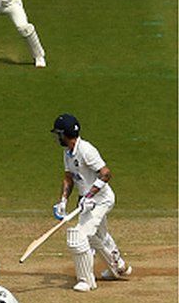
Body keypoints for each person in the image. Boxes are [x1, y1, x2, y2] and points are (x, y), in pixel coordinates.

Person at [51, 113, 132, 291]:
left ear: (65, 134)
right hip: (87, 201)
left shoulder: (86, 150)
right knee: (98, 236)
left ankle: (87, 281)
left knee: (78, 236)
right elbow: (69, 178)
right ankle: (117, 267)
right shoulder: (68, 153)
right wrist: (63, 201)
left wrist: (89, 196)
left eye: (59, 134)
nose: (57, 137)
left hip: (100, 199)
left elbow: (106, 173)